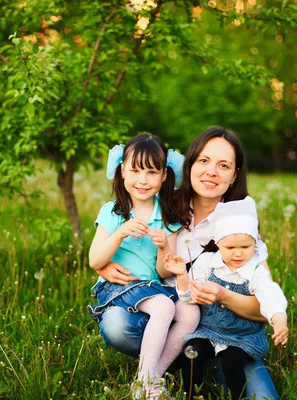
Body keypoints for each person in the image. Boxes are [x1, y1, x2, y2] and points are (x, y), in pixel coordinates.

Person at [94, 127, 281, 399]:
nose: (211, 172)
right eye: (203, 161)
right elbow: (124, 234)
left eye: (223, 165)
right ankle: (162, 367)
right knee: (116, 325)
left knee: (263, 398)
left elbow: (264, 308)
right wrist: (102, 264)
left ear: (234, 176)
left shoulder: (240, 223)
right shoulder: (162, 204)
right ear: (189, 164)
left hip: (225, 335)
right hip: (170, 322)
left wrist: (224, 295)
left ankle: (196, 362)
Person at [87, 134, 200, 398]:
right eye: (135, 170)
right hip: (119, 287)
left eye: (151, 172)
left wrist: (163, 248)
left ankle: (150, 377)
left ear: (163, 176)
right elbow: (95, 260)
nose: (143, 180)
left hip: (152, 287)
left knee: (190, 313)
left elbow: (163, 272)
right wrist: (119, 234)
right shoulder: (113, 211)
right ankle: (147, 383)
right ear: (122, 171)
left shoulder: (167, 216)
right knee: (164, 305)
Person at [165, 196, 288, 399]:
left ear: (254, 244)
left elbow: (271, 295)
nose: (238, 254)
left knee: (232, 363)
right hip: (208, 331)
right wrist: (182, 275)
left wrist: (279, 319)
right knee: (191, 351)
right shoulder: (206, 262)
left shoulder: (255, 272)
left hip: (242, 337)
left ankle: (236, 396)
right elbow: (188, 298)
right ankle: (191, 394)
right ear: (218, 242)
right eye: (230, 248)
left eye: (245, 247)